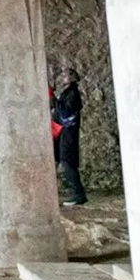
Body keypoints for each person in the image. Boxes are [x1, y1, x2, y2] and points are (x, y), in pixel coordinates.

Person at [53, 66, 88, 205]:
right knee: (65, 160)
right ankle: (77, 193)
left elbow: (65, 113)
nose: (63, 77)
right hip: (65, 132)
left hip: (69, 132)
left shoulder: (73, 93)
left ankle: (78, 195)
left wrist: (54, 100)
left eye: (65, 75)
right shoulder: (68, 92)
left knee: (68, 162)